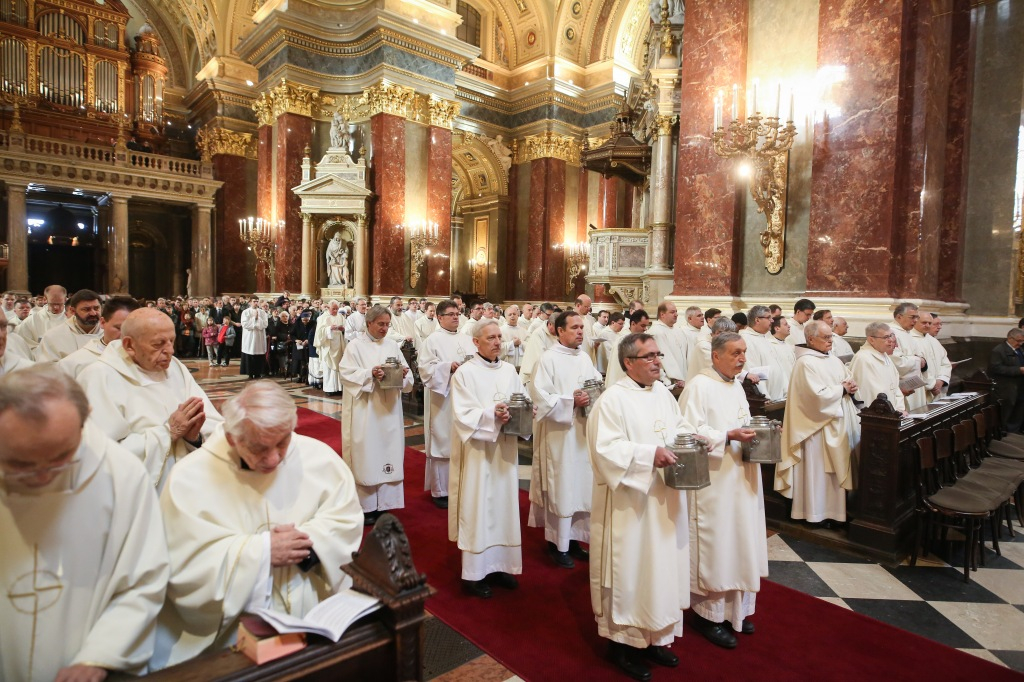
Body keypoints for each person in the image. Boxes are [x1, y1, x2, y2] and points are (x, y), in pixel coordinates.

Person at [152, 381, 363, 668]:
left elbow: (344, 518)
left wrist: (309, 543)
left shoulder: (318, 457)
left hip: (312, 612)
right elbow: (183, 562)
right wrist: (262, 552)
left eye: (283, 442)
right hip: (230, 633)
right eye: (259, 448)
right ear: (231, 438)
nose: (273, 459)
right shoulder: (189, 478)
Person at [0, 365, 169, 682]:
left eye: (60, 457)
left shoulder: (121, 475)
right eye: (20, 464)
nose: (43, 476)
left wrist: (100, 655)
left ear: (85, 419)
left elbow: (143, 579)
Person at [587, 333, 695, 680]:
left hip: (664, 498)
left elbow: (678, 427)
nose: (657, 361)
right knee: (632, 569)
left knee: (661, 568)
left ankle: (656, 635)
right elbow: (605, 450)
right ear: (628, 363)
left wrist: (694, 438)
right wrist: (650, 454)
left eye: (658, 354)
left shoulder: (662, 393)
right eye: (649, 356)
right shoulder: (612, 400)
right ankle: (624, 643)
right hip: (630, 505)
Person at [677, 332, 766, 649]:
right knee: (718, 544)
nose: (742, 358)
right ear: (716, 356)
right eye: (735, 353)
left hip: (740, 476)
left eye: (744, 352)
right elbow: (688, 432)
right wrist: (727, 436)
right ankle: (708, 615)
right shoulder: (698, 386)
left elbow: (742, 422)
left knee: (740, 540)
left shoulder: (736, 385)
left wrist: (761, 433)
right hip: (714, 480)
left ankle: (735, 611)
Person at [79, 308, 223, 490]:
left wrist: (194, 438)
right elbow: (97, 456)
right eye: (158, 344)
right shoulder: (99, 377)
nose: (170, 350)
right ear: (129, 345)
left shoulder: (175, 368)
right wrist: (167, 433)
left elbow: (212, 425)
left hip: (188, 486)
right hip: (139, 496)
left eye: (172, 341)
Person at [449, 319, 528, 599]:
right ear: (476, 342)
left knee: (504, 506)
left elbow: (522, 399)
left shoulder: (508, 370)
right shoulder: (465, 373)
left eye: (499, 337)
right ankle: (474, 573)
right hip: (478, 454)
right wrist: (491, 414)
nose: (497, 342)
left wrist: (520, 411)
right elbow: (463, 414)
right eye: (491, 338)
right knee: (478, 506)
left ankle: (501, 565)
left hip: (504, 451)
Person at [529, 310, 602, 568]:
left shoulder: (584, 357)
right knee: (561, 486)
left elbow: (596, 385)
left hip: (581, 432)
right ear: (560, 331)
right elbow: (540, 397)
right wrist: (571, 401)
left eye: (582, 327)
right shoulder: (547, 359)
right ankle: (556, 543)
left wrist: (593, 394)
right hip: (559, 436)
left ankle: (574, 539)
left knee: (580, 485)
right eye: (575, 328)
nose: (580, 332)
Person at [776, 320, 859, 525]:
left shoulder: (832, 359)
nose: (831, 341)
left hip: (837, 423)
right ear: (811, 339)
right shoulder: (805, 363)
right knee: (818, 473)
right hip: (814, 429)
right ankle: (814, 513)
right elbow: (815, 397)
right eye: (826, 337)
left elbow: (847, 379)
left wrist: (851, 386)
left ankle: (836, 513)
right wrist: (842, 389)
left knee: (834, 473)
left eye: (831, 336)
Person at [338, 305, 413, 524]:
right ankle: (367, 505)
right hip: (366, 410)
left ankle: (387, 503)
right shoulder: (355, 346)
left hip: (390, 410)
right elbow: (346, 373)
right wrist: (370, 373)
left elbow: (408, 376)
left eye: (387, 324)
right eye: (381, 324)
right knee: (367, 454)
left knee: (389, 451)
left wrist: (403, 374)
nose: (385, 328)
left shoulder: (392, 345)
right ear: (369, 323)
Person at [419, 300, 476, 510]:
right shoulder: (432, 341)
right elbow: (425, 370)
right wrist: (447, 367)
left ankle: (462, 485)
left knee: (463, 439)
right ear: (440, 317)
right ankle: (441, 490)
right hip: (442, 399)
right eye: (451, 314)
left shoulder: (467, 339)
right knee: (442, 440)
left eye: (457, 313)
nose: (455, 317)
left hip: (465, 398)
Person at [59, 296, 140, 379]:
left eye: (133, 329)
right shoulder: (73, 363)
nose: (126, 335)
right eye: (119, 328)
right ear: (102, 322)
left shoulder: (144, 359)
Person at [849, 322, 906, 414]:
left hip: (893, 414)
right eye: (886, 337)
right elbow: (869, 394)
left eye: (891, 335)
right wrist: (891, 412)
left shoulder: (884, 356)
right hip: (877, 415)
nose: (891, 340)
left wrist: (899, 409)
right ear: (871, 340)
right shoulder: (863, 359)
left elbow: (895, 387)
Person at [35, 289, 104, 363]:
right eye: (86, 309)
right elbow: (46, 367)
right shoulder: (53, 336)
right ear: (73, 311)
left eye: (96, 308)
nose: (93, 313)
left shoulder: (109, 332)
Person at [740, 304, 785, 400]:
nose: (772, 321)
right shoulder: (746, 339)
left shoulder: (765, 337)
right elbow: (753, 371)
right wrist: (764, 396)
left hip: (778, 397)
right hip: (765, 399)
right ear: (757, 320)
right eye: (768, 318)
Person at [989, 328, 1024, 433]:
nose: (1020, 343)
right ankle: (1006, 433)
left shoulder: (1020, 349)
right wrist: (1019, 370)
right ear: (1010, 338)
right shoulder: (998, 350)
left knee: (1019, 411)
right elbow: (996, 368)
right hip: (1007, 387)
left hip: (1020, 386)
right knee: (1008, 411)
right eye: (1018, 341)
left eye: (1022, 341)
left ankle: (1015, 432)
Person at [648, 301, 688, 392]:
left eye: (676, 311)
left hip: (683, 379)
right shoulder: (656, 332)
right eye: (672, 312)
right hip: (670, 381)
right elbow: (665, 357)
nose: (676, 314)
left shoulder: (678, 330)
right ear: (662, 314)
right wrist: (677, 377)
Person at [605, 310, 651, 387]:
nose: (645, 329)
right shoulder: (623, 341)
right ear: (633, 323)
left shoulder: (639, 340)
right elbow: (618, 370)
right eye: (642, 326)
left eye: (646, 326)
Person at [15, 284, 67, 350]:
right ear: (45, 299)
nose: (56, 307)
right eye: (52, 304)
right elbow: (24, 346)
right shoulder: (32, 321)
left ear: (65, 299)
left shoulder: (73, 319)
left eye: (60, 304)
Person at [913, 312, 952, 398]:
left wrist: (941, 380)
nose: (927, 325)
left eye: (930, 323)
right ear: (915, 322)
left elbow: (946, 363)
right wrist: (932, 385)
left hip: (938, 388)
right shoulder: (910, 340)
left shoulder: (934, 341)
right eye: (924, 322)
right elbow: (914, 367)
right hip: (922, 390)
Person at [315, 300, 347, 396]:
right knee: (329, 367)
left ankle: (339, 388)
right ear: (328, 308)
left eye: (337, 309)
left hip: (339, 344)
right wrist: (329, 328)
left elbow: (346, 328)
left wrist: (343, 329)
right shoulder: (322, 318)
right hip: (328, 346)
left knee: (339, 366)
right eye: (334, 309)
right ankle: (329, 389)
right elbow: (319, 333)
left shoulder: (341, 317)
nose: (336, 311)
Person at [519, 307, 558, 386]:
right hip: (535, 377)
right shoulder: (538, 334)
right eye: (556, 328)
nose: (558, 331)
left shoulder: (558, 333)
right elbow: (540, 358)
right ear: (550, 324)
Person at [240, 297, 269, 380]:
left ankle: (258, 373)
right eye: (254, 301)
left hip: (259, 337)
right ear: (250, 302)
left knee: (259, 354)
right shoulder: (245, 312)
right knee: (249, 352)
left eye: (257, 301)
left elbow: (265, 324)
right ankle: (250, 373)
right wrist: (254, 319)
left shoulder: (262, 312)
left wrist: (258, 319)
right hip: (249, 337)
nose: (256, 303)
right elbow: (244, 324)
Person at [500, 304, 528, 369]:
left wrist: (520, 343)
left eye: (514, 314)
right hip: (505, 366)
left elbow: (530, 346)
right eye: (510, 314)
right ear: (505, 317)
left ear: (518, 316)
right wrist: (512, 343)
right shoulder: (500, 331)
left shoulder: (524, 331)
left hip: (521, 366)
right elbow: (498, 347)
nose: (512, 316)